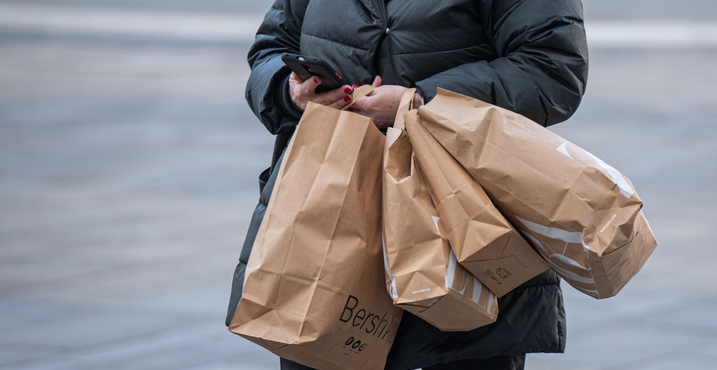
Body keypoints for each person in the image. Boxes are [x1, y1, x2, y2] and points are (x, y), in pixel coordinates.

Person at [236, 0, 588, 369]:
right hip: (325, 231)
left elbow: (554, 68)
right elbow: (271, 48)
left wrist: (420, 100)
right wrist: (289, 90)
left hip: (462, 234)